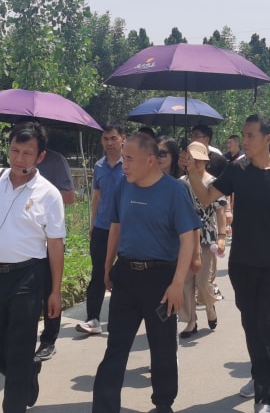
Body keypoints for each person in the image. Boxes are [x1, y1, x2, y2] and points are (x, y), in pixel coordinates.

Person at [183, 114, 270, 413]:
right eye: (244, 134)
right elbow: (207, 197)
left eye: (251, 135)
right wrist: (195, 171)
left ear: (268, 139)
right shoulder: (237, 169)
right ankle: (258, 373)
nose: (245, 140)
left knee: (268, 325)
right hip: (243, 265)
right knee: (251, 324)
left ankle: (266, 396)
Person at [91, 133, 199, 413]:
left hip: (161, 279)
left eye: (129, 159)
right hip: (126, 275)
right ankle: (104, 407)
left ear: (150, 160)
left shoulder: (174, 191)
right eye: (123, 158)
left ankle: (163, 403)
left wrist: (177, 284)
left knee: (162, 347)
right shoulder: (123, 185)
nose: (124, 165)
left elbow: (188, 238)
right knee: (116, 347)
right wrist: (107, 267)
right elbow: (115, 226)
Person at [0, 122, 65, 412]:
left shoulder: (49, 194)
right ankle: (27, 372)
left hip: (28, 277)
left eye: (27, 153)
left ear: (40, 156)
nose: (19, 159)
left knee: (19, 349)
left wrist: (55, 291)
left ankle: (16, 401)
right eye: (14, 151)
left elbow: (56, 246)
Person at [77, 125, 126, 335]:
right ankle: (93, 319)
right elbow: (97, 196)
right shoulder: (99, 166)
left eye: (113, 138)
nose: (109, 143)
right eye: (105, 139)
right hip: (102, 226)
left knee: (122, 273)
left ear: (123, 139)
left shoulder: (130, 164)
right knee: (98, 272)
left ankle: (121, 317)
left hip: (126, 228)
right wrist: (92, 223)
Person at [178, 141, 226, 338]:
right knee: (186, 281)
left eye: (199, 159)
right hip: (184, 235)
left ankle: (209, 306)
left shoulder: (213, 182)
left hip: (207, 237)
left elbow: (220, 211)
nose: (195, 162)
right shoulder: (181, 182)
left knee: (203, 282)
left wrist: (222, 237)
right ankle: (191, 321)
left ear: (206, 161)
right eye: (192, 159)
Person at [34, 148, 74, 361]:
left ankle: (49, 340)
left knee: (50, 290)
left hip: (50, 237)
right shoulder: (13, 164)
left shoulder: (56, 161)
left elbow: (70, 196)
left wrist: (42, 193)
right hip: (24, 242)